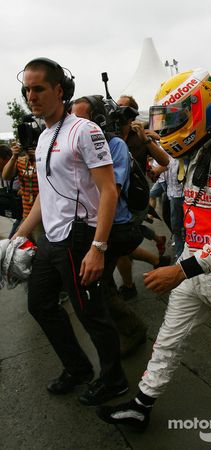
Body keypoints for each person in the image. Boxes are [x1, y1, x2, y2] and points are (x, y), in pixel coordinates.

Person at [96, 68, 211, 429]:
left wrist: (181, 269)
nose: (164, 128)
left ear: (200, 110)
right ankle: (142, 403)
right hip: (191, 264)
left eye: (172, 119)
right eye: (161, 120)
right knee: (167, 339)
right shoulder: (195, 154)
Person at [14, 57, 128, 405]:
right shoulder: (46, 135)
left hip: (80, 239)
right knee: (39, 305)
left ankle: (115, 381)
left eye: (38, 88)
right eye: (27, 90)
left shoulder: (85, 130)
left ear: (59, 91)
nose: (31, 96)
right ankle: (78, 368)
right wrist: (18, 234)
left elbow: (109, 190)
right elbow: (44, 198)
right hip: (52, 239)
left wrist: (99, 247)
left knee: (92, 315)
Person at [71, 95, 147, 357]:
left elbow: (110, 191)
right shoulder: (83, 145)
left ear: (100, 120)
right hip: (99, 225)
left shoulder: (114, 145)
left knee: (97, 286)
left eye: (81, 118)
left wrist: (98, 245)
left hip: (116, 226)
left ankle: (133, 330)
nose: (74, 124)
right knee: (100, 284)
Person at [116, 95, 171, 300]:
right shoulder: (109, 134)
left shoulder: (141, 133)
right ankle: (157, 260)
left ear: (132, 113)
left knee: (120, 245)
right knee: (122, 243)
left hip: (135, 197)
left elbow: (165, 159)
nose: (118, 110)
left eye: (123, 107)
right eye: (117, 106)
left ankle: (129, 286)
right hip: (116, 196)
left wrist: (146, 138)